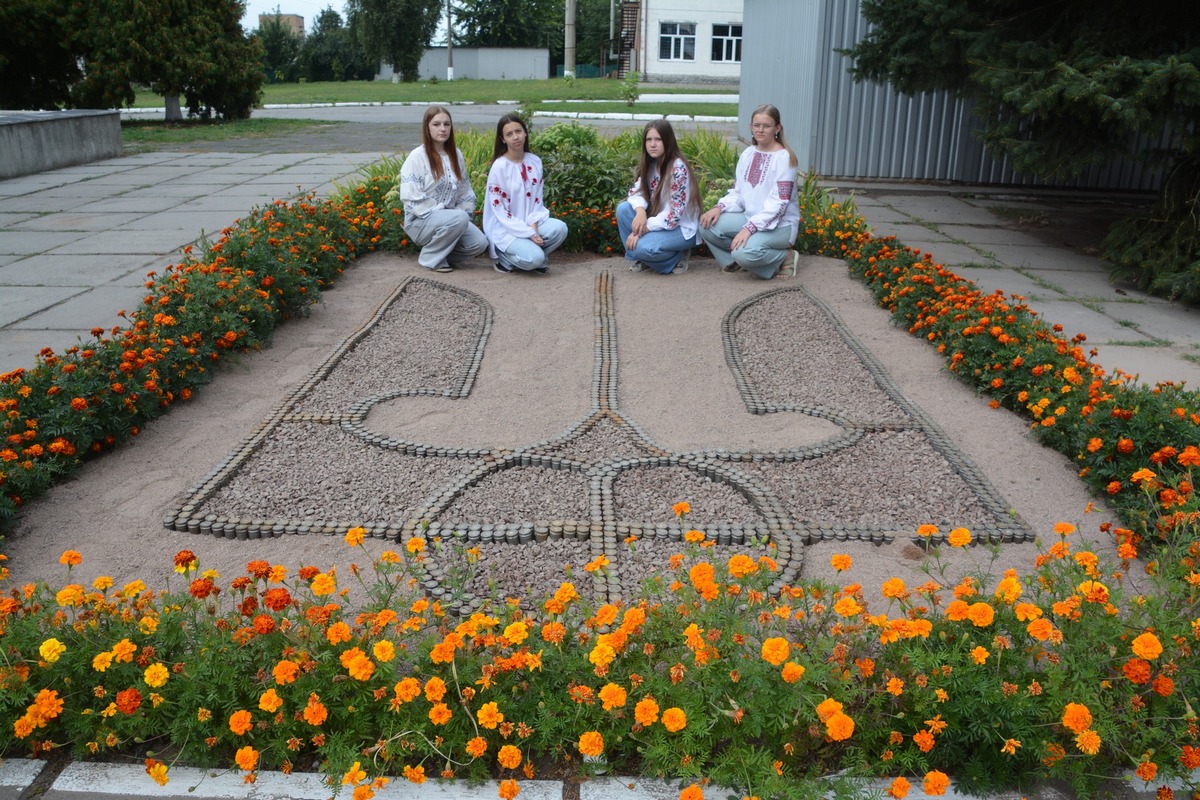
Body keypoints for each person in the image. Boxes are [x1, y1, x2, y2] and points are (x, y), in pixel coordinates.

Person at [698, 104, 802, 279]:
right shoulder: (748, 153)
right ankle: (736, 261)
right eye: (756, 125)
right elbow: (738, 192)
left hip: (780, 226)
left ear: (777, 128)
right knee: (706, 224)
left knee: (743, 253)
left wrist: (749, 228)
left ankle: (784, 257)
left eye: (766, 126)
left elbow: (779, 204)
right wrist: (719, 207)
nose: (760, 130)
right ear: (751, 127)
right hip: (750, 218)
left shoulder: (784, 158)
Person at [398, 105, 488, 273]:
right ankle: (429, 259)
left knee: (479, 243)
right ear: (427, 127)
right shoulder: (417, 157)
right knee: (459, 218)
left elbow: (465, 190)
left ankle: (441, 255)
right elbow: (411, 196)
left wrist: (461, 213)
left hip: (453, 218)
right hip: (420, 221)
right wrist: (448, 214)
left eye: (447, 124)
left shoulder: (456, 155)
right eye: (436, 124)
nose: (442, 129)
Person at [482, 114, 568, 274]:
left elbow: (537, 201)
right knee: (535, 259)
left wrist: (533, 227)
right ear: (502, 139)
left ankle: (530, 255)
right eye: (509, 134)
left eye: (518, 131)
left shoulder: (534, 161)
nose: (515, 137)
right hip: (506, 228)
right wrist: (527, 232)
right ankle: (505, 260)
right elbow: (500, 212)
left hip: (530, 223)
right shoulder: (499, 167)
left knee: (560, 228)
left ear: (525, 133)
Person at [616, 120, 701, 275]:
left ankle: (677, 257)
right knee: (623, 209)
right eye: (649, 140)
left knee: (643, 248)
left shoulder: (678, 168)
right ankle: (642, 258)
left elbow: (674, 215)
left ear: (668, 141)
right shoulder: (651, 163)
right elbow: (636, 192)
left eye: (658, 139)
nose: (652, 145)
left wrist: (640, 232)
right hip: (659, 222)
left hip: (681, 228)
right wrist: (640, 212)